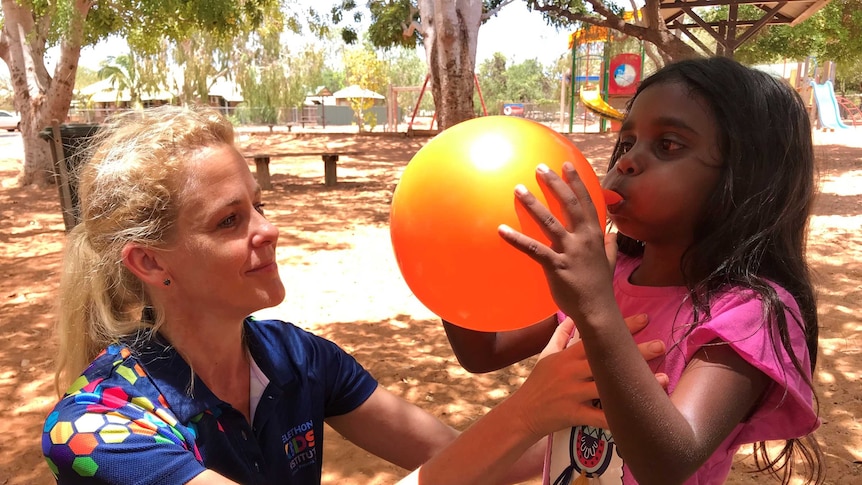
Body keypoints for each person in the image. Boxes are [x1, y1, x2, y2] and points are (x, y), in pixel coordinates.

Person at [41, 105, 667, 485]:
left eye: (259, 206)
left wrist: (596, 393)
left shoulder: (297, 361)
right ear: (149, 262)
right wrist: (526, 410)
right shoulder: (99, 429)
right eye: (229, 221)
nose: (269, 230)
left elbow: (469, 460)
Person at [444, 57, 824, 484]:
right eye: (627, 143)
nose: (626, 162)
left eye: (669, 145)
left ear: (746, 176)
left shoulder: (748, 314)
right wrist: (453, 259)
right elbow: (484, 352)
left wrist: (596, 310)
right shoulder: (607, 273)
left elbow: (668, 462)